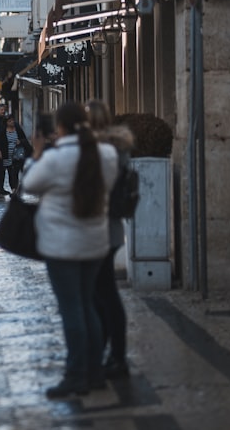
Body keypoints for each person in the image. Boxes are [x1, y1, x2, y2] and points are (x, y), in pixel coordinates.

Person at [22, 101, 119, 398]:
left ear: (60, 127)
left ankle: (77, 375)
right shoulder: (107, 154)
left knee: (72, 309)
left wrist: (36, 154)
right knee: (88, 305)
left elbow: (29, 185)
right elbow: (110, 185)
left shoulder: (54, 159)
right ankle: (94, 372)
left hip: (62, 247)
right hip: (95, 243)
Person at [85, 98, 135, 380]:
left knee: (104, 294)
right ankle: (109, 353)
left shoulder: (102, 150)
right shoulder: (116, 147)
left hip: (101, 229)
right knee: (101, 293)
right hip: (110, 229)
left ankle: (116, 356)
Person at [0, 113, 32, 193]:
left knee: (14, 173)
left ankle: (14, 189)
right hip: (6, 154)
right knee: (3, 172)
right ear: (6, 122)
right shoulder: (3, 130)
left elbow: (24, 139)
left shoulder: (17, 128)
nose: (12, 122)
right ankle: (0, 188)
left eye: (13, 120)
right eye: (10, 121)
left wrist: (20, 141)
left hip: (16, 155)